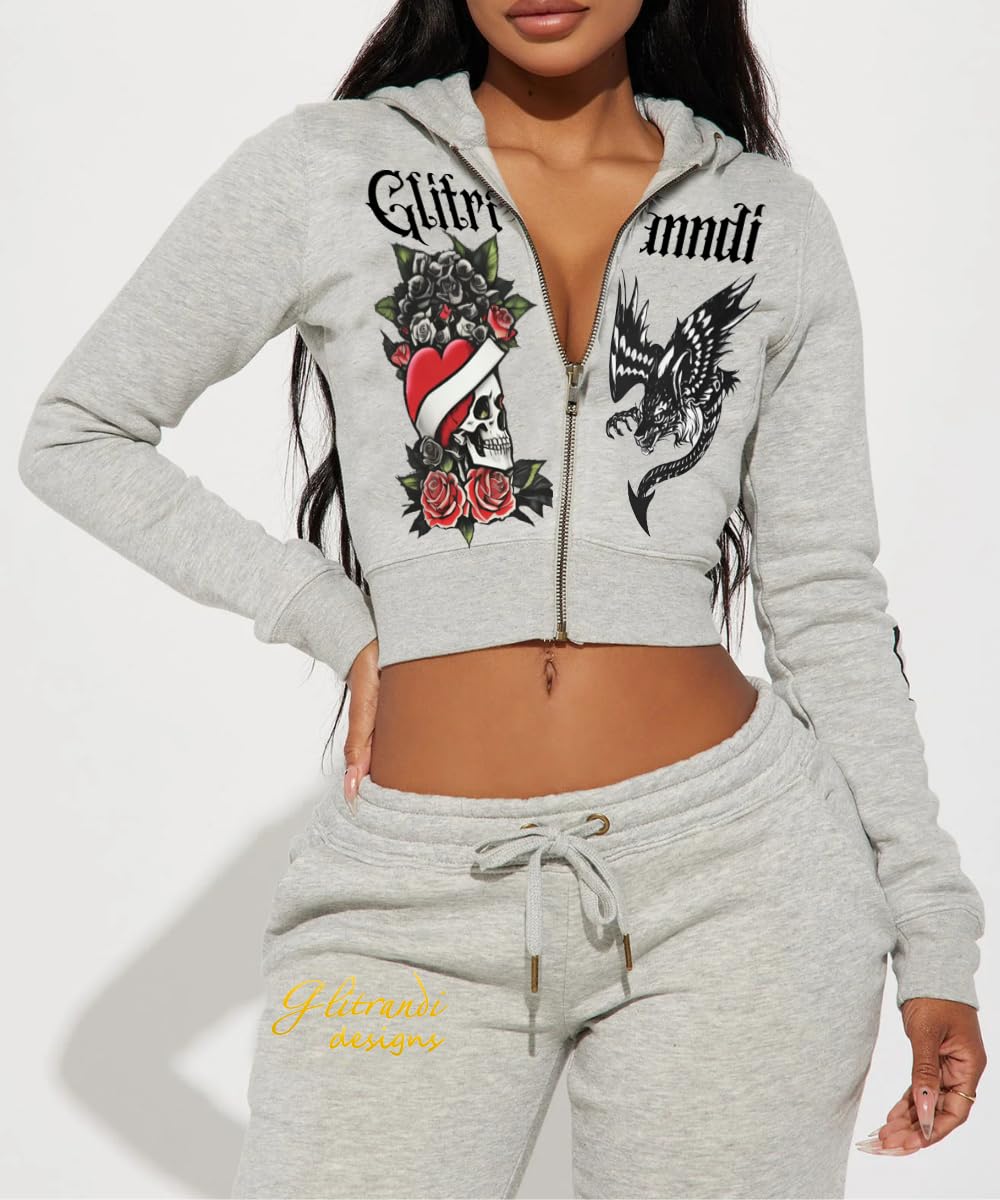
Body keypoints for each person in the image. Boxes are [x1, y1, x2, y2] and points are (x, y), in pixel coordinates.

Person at [18, 1, 987, 1196]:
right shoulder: (331, 168)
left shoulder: (768, 222)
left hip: (741, 879)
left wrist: (934, 935)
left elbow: (826, 599)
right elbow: (79, 434)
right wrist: (329, 616)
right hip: (410, 892)